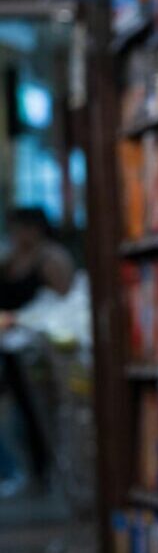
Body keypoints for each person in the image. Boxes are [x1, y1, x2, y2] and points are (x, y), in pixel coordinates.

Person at [0, 206, 75, 491]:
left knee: (43, 412)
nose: (16, 235)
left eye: (20, 228)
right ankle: (33, 471)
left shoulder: (50, 258)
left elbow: (64, 304)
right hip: (12, 349)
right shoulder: (11, 260)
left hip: (41, 350)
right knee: (21, 414)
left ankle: (49, 472)